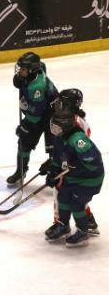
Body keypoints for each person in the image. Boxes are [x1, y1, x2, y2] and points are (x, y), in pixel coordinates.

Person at [42, 104, 104, 247]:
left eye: (57, 128)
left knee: (76, 204)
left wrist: (74, 167)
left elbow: (93, 162)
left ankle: (83, 232)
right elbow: (58, 159)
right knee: (63, 196)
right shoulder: (59, 138)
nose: (54, 130)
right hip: (73, 176)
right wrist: (53, 171)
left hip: (90, 179)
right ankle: (63, 226)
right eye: (53, 127)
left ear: (66, 126)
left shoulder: (78, 140)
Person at [7, 52, 58, 186]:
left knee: (54, 149)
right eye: (20, 68)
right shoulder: (36, 69)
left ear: (31, 71)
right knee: (23, 143)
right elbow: (42, 65)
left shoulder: (37, 88)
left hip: (52, 117)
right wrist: (21, 79)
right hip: (40, 112)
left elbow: (36, 115)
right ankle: (21, 171)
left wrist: (24, 120)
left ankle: (56, 176)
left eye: (23, 69)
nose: (20, 71)